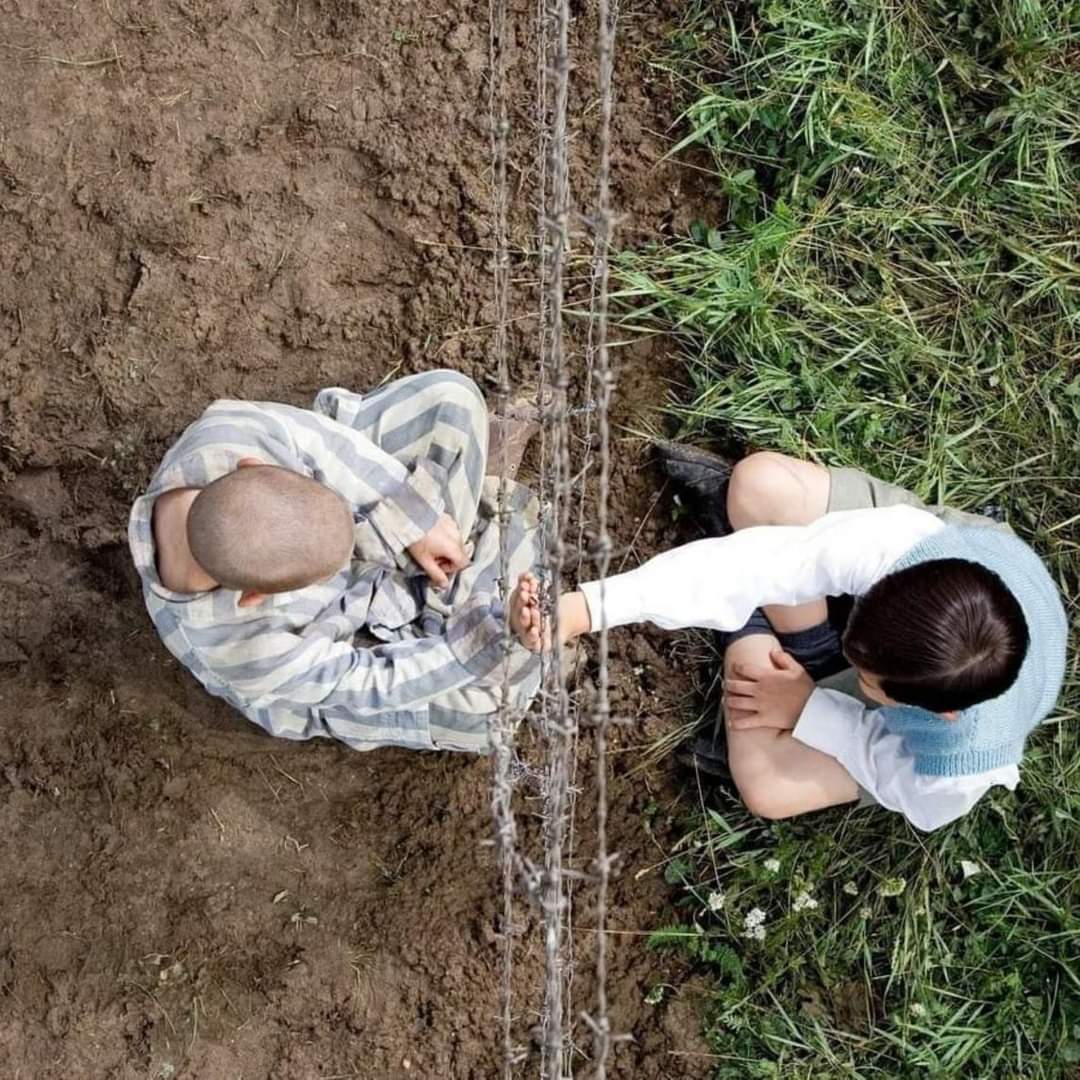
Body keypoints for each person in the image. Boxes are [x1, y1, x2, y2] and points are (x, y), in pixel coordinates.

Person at [548, 449, 1068, 831]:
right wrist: (584, 609)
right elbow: (768, 563)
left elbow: (888, 771)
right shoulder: (903, 547)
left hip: (911, 721)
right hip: (935, 585)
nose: (859, 674)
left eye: (868, 679)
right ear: (895, 581)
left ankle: (751, 628)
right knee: (759, 486)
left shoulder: (960, 765)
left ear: (941, 714)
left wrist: (809, 708)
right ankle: (807, 642)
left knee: (767, 787)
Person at [128, 369, 544, 754]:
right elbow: (366, 681)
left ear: (253, 465)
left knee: (452, 400)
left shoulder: (228, 434)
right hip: (339, 639)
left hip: (368, 521)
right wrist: (469, 648)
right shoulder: (244, 651)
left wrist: (414, 520)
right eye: (333, 567)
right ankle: (462, 597)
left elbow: (329, 449)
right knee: (487, 714)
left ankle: (452, 577)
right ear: (256, 596)